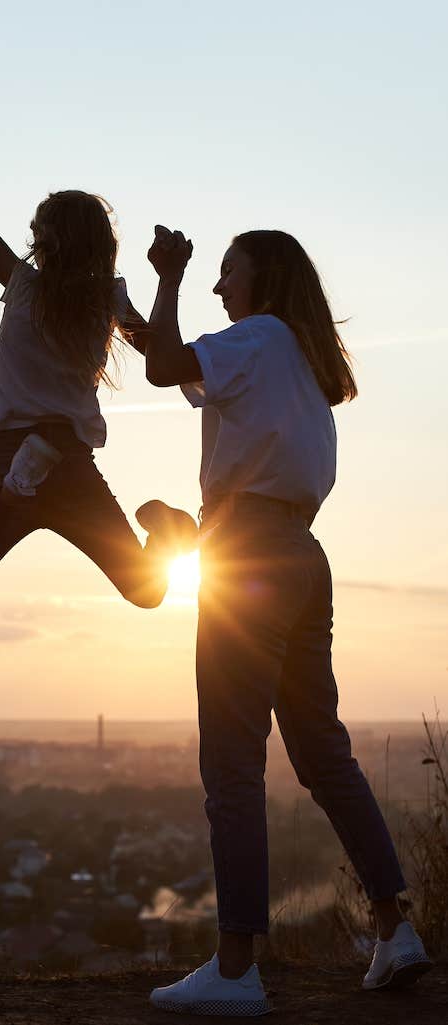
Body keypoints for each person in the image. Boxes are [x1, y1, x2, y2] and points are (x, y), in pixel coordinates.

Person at [140, 227, 432, 1016]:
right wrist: (125, 310)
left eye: (225, 271)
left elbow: (164, 365)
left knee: (233, 766)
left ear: (260, 274)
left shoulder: (257, 337)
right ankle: (394, 928)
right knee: (323, 753)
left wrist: (166, 276)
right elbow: (171, 359)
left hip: (247, 552)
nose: (216, 286)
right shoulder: (291, 356)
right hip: (303, 556)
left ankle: (236, 970)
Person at [0, 138, 196, 614]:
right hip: (72, 462)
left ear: (44, 241)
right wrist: (169, 279)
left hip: (16, 454)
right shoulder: (108, 298)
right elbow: (158, 351)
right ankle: (169, 533)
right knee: (147, 592)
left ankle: (15, 493)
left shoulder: (22, 283)